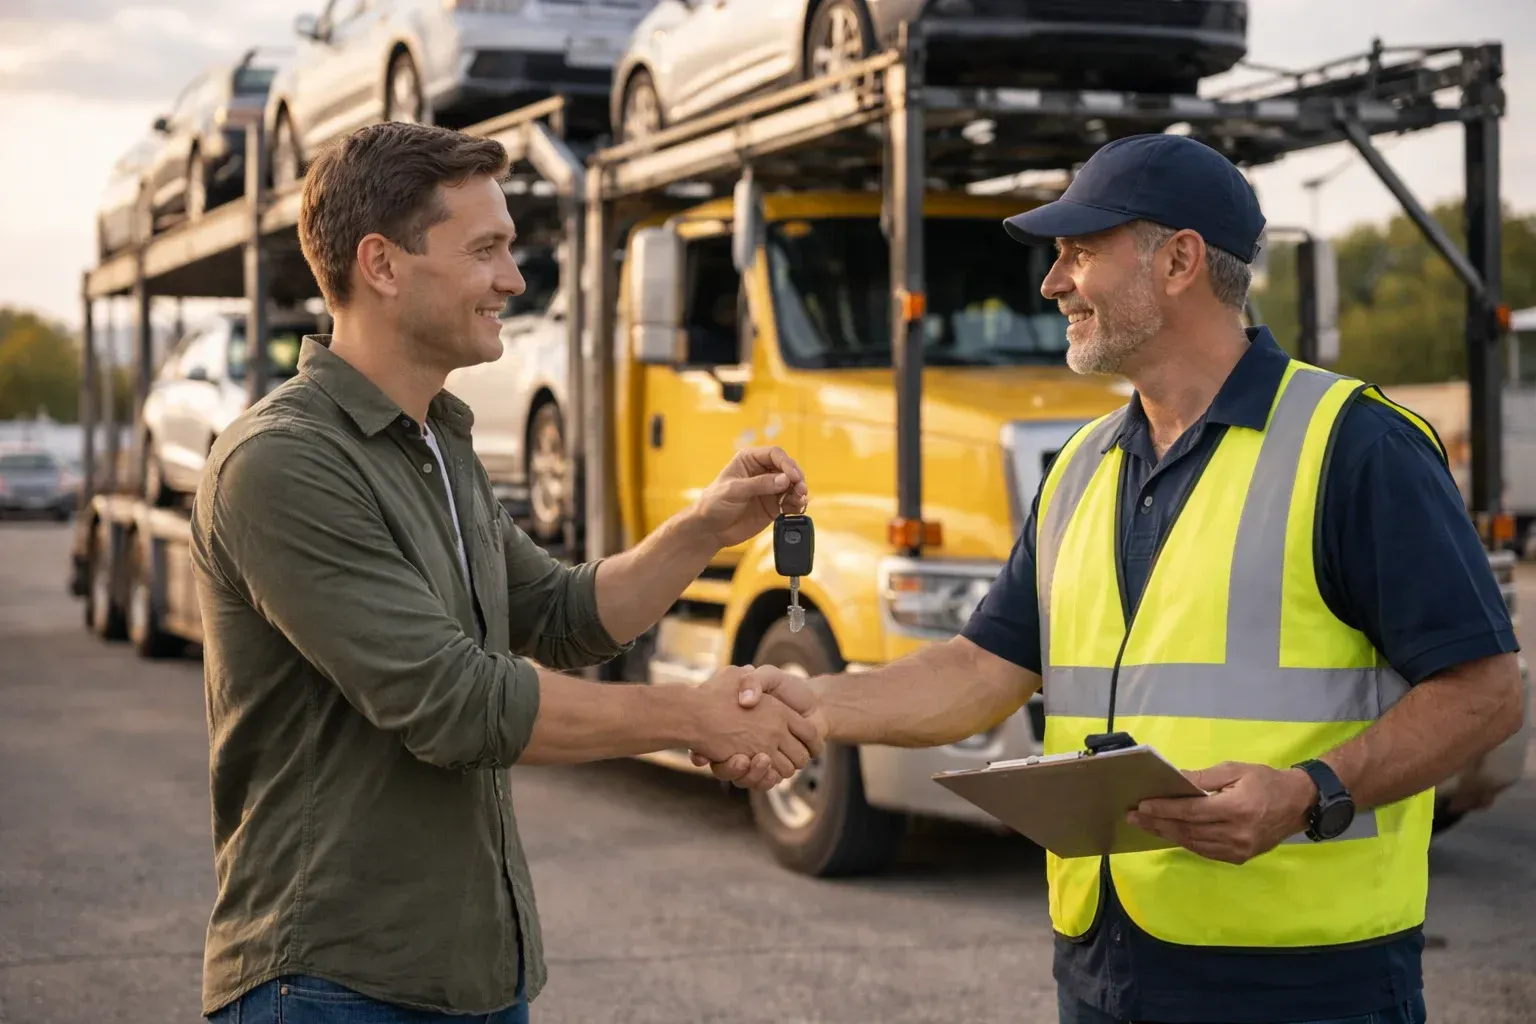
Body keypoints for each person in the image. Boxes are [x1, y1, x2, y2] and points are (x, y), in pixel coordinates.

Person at [702, 133, 1526, 1024]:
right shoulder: (1082, 466)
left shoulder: (1357, 447)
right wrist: (815, 705)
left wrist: (1310, 792)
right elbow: (980, 670)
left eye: (1080, 252)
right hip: (1107, 967)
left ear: (1179, 262)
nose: (1053, 283)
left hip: (1303, 980)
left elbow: (1486, 693)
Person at [190, 121, 822, 1023]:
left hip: (478, 974)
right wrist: (693, 714)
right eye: (485, 250)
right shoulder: (282, 463)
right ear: (382, 264)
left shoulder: (438, 442)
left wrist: (703, 529)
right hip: (332, 985)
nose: (515, 280)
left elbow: (560, 614)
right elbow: (453, 701)